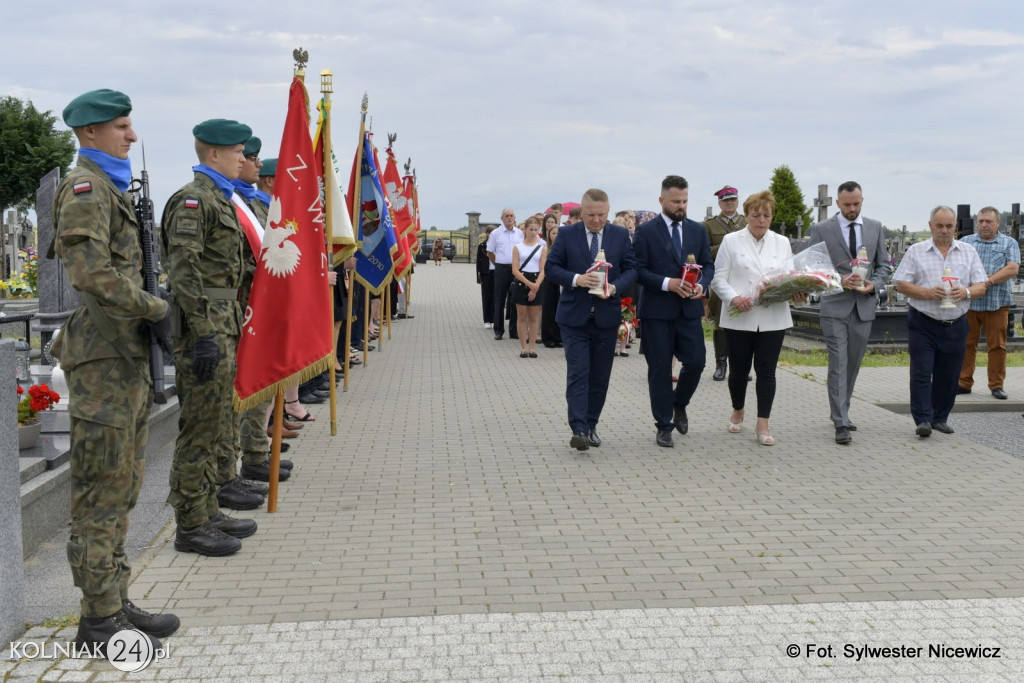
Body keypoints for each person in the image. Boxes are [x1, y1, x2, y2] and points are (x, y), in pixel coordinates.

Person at [51, 88, 178, 653]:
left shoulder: (111, 190)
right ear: (89, 133)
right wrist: (156, 309)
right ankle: (97, 619)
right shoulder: (85, 190)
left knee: (123, 487)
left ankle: (112, 599)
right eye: (121, 126)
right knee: (101, 492)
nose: (130, 136)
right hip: (103, 359)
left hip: (122, 357)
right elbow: (90, 274)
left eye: (129, 126)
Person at [162, 118, 257, 556]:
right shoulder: (193, 202)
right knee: (199, 428)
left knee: (218, 421)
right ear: (213, 154)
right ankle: (190, 523)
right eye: (237, 151)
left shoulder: (221, 200)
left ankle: (209, 508)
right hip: (206, 326)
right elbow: (184, 271)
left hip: (224, 319)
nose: (244, 157)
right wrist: (202, 333)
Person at [711, 190, 805, 446]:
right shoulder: (731, 241)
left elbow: (788, 277)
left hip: (773, 317)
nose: (761, 220)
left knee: (767, 371)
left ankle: (763, 422)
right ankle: (738, 408)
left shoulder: (781, 242)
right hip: (740, 315)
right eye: (756, 215)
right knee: (739, 370)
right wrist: (733, 298)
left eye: (767, 215)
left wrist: (796, 291)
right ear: (746, 215)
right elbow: (718, 279)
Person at [545, 188, 637, 451]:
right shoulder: (566, 234)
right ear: (580, 213)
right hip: (574, 318)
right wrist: (577, 280)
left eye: (601, 215)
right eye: (590, 215)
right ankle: (579, 429)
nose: (596, 220)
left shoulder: (620, 235)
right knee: (578, 373)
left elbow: (632, 269)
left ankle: (592, 423)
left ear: (608, 212)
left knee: (599, 377)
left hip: (606, 318)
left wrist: (615, 287)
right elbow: (552, 267)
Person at [807, 181, 892, 444]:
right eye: (847, 205)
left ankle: (842, 411)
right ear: (838, 203)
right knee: (838, 363)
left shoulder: (875, 227)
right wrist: (837, 281)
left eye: (856, 204)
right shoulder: (822, 229)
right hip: (834, 306)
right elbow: (813, 268)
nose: (852, 209)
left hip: (863, 306)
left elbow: (884, 267)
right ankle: (841, 421)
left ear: (862, 200)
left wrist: (873, 285)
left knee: (853, 363)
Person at [892, 206, 988, 437]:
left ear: (955, 227)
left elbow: (981, 285)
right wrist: (926, 293)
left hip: (956, 322)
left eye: (948, 226)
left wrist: (965, 292)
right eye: (939, 226)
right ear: (930, 226)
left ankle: (940, 418)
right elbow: (901, 283)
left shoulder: (968, 251)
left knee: (949, 374)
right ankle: (923, 420)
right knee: (922, 371)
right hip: (923, 321)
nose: (944, 231)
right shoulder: (916, 251)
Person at [633, 175, 714, 448]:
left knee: (697, 362)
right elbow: (638, 271)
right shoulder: (645, 232)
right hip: (657, 312)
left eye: (685, 201)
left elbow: (707, 265)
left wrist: (701, 285)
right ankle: (663, 425)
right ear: (661, 200)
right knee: (659, 370)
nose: (681, 206)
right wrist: (668, 283)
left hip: (688, 310)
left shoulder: (696, 230)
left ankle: (679, 403)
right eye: (676, 201)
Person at [958, 206, 1020, 399]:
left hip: (997, 303)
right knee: (966, 344)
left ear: (998, 223)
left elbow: (1012, 269)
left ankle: (996, 385)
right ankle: (963, 382)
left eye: (988, 222)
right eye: (981, 221)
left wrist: (987, 281)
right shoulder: (965, 242)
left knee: (997, 346)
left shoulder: (1009, 243)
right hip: (969, 303)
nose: (984, 225)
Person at [702, 186, 747, 382]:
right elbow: (705, 252)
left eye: (733, 200)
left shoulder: (747, 221)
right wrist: (729, 244)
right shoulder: (709, 225)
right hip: (722, 279)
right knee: (721, 323)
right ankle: (721, 364)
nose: (730, 203)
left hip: (746, 278)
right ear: (719, 203)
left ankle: (742, 367)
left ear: (738, 202)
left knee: (745, 323)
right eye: (726, 200)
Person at [512, 216, 547, 357]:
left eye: (536, 230)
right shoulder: (518, 247)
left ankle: (532, 347)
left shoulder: (542, 248)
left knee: (534, 317)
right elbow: (515, 269)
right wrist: (529, 284)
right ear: (525, 230)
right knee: (522, 316)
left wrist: (536, 285)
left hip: (536, 280)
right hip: (522, 280)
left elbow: (543, 269)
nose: (533, 232)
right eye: (531, 229)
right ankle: (523, 347)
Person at [487, 208, 524, 340]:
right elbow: (490, 252)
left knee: (515, 299)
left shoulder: (519, 233)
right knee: (499, 300)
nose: (509, 218)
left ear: (515, 218)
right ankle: (498, 330)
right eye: (506, 216)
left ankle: (513, 330)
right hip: (501, 269)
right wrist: (498, 264)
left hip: (516, 269)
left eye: (511, 216)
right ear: (502, 218)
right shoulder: (496, 234)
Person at [541, 222, 563, 348]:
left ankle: (559, 337)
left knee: (559, 308)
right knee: (549, 309)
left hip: (560, 281)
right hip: (549, 281)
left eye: (558, 233)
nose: (556, 236)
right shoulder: (546, 249)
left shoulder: (564, 248)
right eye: (553, 233)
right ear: (549, 235)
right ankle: (548, 337)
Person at [476, 225, 496, 328]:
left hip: (496, 273)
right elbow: (478, 263)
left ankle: (493, 319)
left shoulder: (498, 245)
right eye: (491, 233)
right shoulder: (482, 246)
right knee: (486, 296)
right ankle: (487, 320)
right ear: (487, 234)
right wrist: (478, 277)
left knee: (495, 297)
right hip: (485, 273)